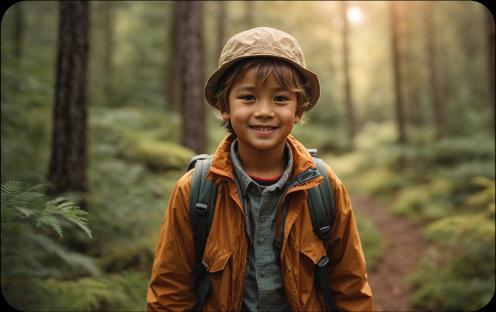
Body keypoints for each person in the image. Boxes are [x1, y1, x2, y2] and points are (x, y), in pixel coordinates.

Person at [147, 27, 373, 312]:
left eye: (280, 99)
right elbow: (170, 291)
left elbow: (351, 286)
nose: (264, 111)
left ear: (299, 109)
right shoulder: (195, 191)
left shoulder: (323, 186)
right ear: (224, 105)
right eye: (248, 97)